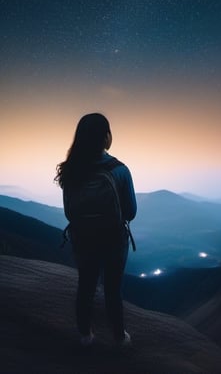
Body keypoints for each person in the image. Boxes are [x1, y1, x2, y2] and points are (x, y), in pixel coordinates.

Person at [55, 113, 137, 347]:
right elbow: (130, 212)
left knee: (86, 285)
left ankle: (85, 336)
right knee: (113, 289)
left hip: (83, 239)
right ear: (106, 137)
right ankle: (120, 337)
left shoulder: (71, 169)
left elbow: (70, 213)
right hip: (113, 240)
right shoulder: (120, 170)